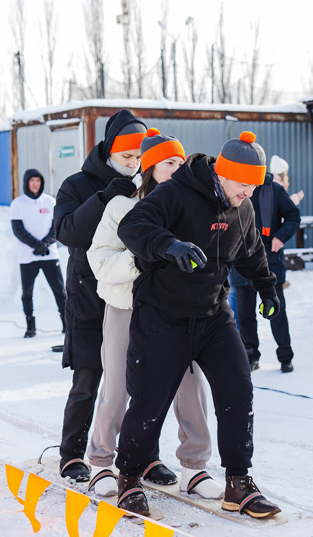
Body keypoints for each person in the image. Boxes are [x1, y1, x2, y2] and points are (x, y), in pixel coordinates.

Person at [114, 131, 283, 519]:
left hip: (213, 313)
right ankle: (129, 478)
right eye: (243, 185)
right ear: (223, 173)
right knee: (150, 401)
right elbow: (133, 226)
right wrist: (170, 245)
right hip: (163, 314)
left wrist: (266, 288)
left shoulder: (242, 207)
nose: (249, 194)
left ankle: (238, 482)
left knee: (238, 390)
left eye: (254, 187)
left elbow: (251, 251)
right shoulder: (176, 192)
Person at [86, 128, 223, 500]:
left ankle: (194, 468)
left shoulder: (189, 206)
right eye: (168, 163)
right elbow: (100, 261)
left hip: (176, 310)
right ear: (148, 168)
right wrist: (143, 256)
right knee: (116, 389)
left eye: (181, 162)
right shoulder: (121, 207)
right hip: (126, 309)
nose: (177, 169)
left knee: (190, 387)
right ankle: (101, 462)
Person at [53, 108, 150, 483]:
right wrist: (103, 199)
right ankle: (72, 453)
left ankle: (144, 456)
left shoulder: (146, 182)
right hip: (88, 295)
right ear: (110, 150)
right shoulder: (76, 185)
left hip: (131, 296)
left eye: (139, 156)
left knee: (137, 383)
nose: (133, 163)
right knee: (87, 378)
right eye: (127, 156)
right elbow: (67, 232)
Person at [228, 163, 300, 373]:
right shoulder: (232, 189)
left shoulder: (274, 189)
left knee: (276, 311)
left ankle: (285, 356)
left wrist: (280, 236)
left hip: (269, 259)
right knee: (245, 314)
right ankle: (251, 355)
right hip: (240, 258)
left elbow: (293, 216)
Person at [10, 168, 66, 338]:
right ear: (26, 183)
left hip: (50, 255)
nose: (35, 184)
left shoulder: (50, 201)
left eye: (38, 181)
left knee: (60, 291)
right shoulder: (17, 204)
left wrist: (45, 244)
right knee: (27, 293)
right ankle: (30, 326)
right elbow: (18, 230)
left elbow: (56, 227)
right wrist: (36, 245)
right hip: (27, 257)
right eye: (32, 181)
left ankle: (67, 324)